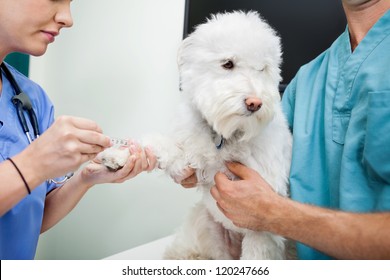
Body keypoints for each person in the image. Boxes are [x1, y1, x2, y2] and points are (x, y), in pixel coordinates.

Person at [179, 0, 390, 259]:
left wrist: (275, 214)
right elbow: (250, 154)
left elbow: (269, 209)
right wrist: (189, 161)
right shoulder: (306, 81)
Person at [0, 0, 156, 260]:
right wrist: (34, 164)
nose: (67, 18)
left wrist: (85, 179)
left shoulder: (31, 99)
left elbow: (24, 220)